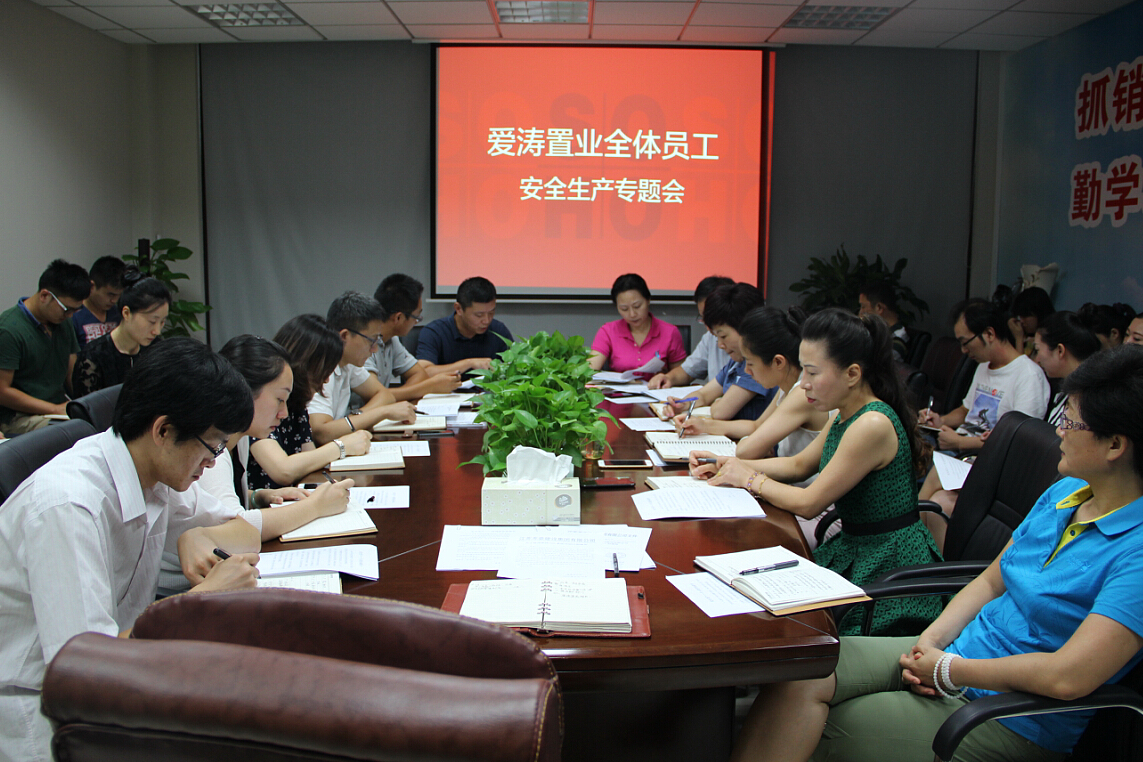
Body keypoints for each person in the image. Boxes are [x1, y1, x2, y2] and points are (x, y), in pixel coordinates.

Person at [730, 345, 1143, 762]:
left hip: (1012, 717)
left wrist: (948, 670)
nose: (1060, 431)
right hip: (961, 654)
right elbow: (991, 581)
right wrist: (931, 642)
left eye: (1071, 421)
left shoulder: (1137, 553)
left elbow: (1068, 677)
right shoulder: (1066, 493)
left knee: (828, 727)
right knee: (802, 668)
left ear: (1115, 445)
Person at [0, 338, 262, 762]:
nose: (214, 462)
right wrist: (202, 598)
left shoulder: (153, 473)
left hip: (124, 673)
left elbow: (243, 530)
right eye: (212, 445)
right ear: (163, 431)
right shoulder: (68, 504)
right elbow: (84, 665)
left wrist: (197, 536)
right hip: (41, 708)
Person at [692, 309, 942, 636]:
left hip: (886, 563)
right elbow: (798, 465)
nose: (804, 383)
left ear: (852, 374)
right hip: (856, 549)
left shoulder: (872, 423)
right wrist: (729, 465)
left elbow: (810, 503)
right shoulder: (846, 414)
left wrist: (749, 478)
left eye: (811, 372)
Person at [157, 334, 354, 596]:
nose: (284, 413)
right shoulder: (208, 448)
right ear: (243, 390)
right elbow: (240, 526)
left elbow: (212, 510)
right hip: (181, 590)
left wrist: (256, 496)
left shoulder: (240, 440)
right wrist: (317, 505)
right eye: (279, 399)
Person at [686, 306, 835, 548]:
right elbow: (756, 426)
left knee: (728, 534)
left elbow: (748, 449)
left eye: (751, 363)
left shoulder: (802, 393)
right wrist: (708, 428)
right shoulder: (787, 388)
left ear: (778, 362)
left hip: (803, 504)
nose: (746, 371)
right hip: (787, 494)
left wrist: (737, 463)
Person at [251, 314, 375, 490]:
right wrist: (342, 446)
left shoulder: (297, 404)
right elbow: (283, 470)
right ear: (305, 363)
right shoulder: (260, 403)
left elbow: (311, 460)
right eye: (324, 370)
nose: (326, 380)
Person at [308, 292, 416, 447]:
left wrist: (358, 417)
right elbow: (321, 433)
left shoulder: (349, 362)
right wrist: (382, 412)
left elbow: (385, 395)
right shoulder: (321, 366)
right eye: (371, 340)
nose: (374, 349)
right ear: (344, 336)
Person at [0, 259, 89, 437]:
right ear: (45, 296)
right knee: (71, 431)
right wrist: (54, 409)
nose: (70, 316)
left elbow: (72, 372)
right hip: (18, 416)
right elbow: (2, 391)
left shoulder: (62, 322)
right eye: (66, 309)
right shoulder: (9, 329)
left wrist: (87, 403)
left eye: (75, 311)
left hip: (57, 407)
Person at [660, 283, 773, 423]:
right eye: (716, 337)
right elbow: (704, 394)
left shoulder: (757, 363)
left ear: (746, 327)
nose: (720, 345)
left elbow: (721, 412)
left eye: (723, 336)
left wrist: (717, 404)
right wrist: (684, 404)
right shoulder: (736, 362)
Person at [71, 272, 171, 398]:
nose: (157, 331)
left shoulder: (157, 350)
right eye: (152, 321)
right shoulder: (94, 356)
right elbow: (87, 406)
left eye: (162, 322)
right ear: (127, 313)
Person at [365, 274, 462, 398]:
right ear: (398, 318)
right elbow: (373, 395)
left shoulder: (392, 339)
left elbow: (419, 374)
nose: (416, 322)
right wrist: (429, 387)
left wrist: (401, 395)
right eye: (416, 317)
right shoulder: (364, 342)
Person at [588, 273, 686, 377]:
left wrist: (667, 377)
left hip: (656, 387)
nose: (632, 314)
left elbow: (681, 375)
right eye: (624, 309)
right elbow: (590, 370)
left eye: (637, 306)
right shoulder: (608, 331)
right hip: (620, 388)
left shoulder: (669, 333)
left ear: (648, 300)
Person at [647, 275, 734, 389]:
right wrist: (668, 378)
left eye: (711, 317)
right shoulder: (710, 337)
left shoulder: (747, 343)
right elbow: (688, 370)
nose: (708, 326)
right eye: (703, 317)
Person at [416, 276, 513, 377]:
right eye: (479, 315)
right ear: (459, 309)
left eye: (491, 313)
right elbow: (424, 372)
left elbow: (517, 366)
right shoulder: (434, 332)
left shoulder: (498, 330)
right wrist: (469, 363)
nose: (486, 320)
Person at [1033, 311, 1101, 426]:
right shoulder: (1068, 390)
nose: (1037, 359)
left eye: (1038, 349)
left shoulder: (1089, 400)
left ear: (1060, 350)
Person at [71, 255, 126, 347]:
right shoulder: (74, 315)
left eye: (119, 295)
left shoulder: (119, 313)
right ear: (92, 286)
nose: (114, 300)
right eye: (110, 294)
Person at [858, 281, 909, 364]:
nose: (860, 312)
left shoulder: (897, 339)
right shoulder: (878, 333)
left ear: (879, 307)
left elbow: (880, 366)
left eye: (863, 307)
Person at [1007, 286, 1055, 356]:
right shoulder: (1029, 336)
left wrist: (1019, 339)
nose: (1022, 321)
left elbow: (1021, 363)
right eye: (1020, 316)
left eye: (1025, 316)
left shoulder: (1050, 341)